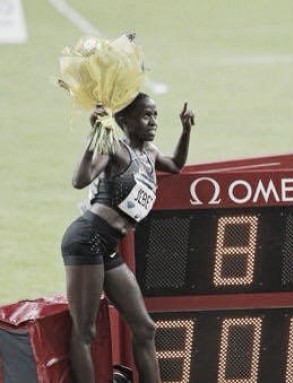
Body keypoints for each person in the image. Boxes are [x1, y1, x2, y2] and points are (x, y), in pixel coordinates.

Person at [61, 93, 195, 383]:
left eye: (155, 115)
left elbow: (175, 164)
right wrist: (94, 137)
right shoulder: (114, 149)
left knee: (145, 328)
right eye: (146, 115)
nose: (153, 121)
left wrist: (185, 131)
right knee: (85, 330)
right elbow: (79, 180)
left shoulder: (149, 153)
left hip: (108, 246)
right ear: (125, 121)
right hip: (87, 239)